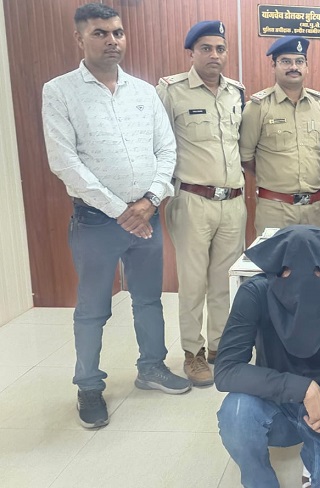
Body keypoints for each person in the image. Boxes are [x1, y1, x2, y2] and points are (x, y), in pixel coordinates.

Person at [41, 2, 190, 429]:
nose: (112, 41)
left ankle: (152, 367)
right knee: (93, 308)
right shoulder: (59, 91)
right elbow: (64, 162)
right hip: (96, 221)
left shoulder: (143, 91)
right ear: (79, 39)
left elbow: (167, 150)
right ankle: (89, 386)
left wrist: (151, 200)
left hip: (147, 215)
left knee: (148, 299)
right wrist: (121, 210)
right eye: (100, 33)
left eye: (117, 33)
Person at [215, 226, 320, 488]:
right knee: (237, 412)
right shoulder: (256, 295)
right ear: (276, 270)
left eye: (314, 270)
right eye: (287, 270)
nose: (300, 279)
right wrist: (305, 389)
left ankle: (314, 457)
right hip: (276, 403)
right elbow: (226, 370)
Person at [156, 21, 247, 386]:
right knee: (193, 283)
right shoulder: (171, 91)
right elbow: (157, 145)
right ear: (191, 53)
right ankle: (192, 352)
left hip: (233, 203)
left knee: (224, 281)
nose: (214, 55)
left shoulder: (236, 92)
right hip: (192, 200)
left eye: (220, 49)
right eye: (206, 48)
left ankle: (219, 348)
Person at [239, 36, 320, 235]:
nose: (294, 67)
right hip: (275, 209)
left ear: (307, 67)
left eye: (299, 61)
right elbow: (245, 157)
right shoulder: (257, 107)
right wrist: (273, 174)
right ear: (273, 66)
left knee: (314, 256)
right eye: (286, 61)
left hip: (314, 208)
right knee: (275, 257)